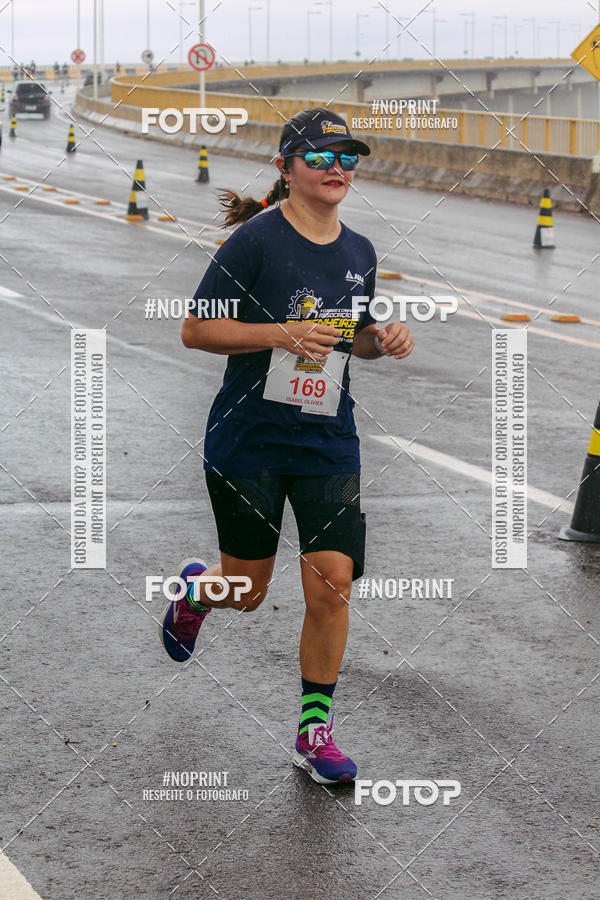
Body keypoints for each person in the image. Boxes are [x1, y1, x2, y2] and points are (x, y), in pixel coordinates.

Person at [158, 107, 414, 784]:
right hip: (250, 438)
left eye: (348, 158)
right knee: (247, 590)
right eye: (321, 157)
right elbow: (194, 331)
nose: (337, 170)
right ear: (286, 167)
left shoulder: (360, 251)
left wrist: (380, 340)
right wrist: (279, 334)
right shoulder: (254, 243)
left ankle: (314, 729)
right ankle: (196, 596)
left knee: (333, 582)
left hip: (328, 439)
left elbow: (351, 339)